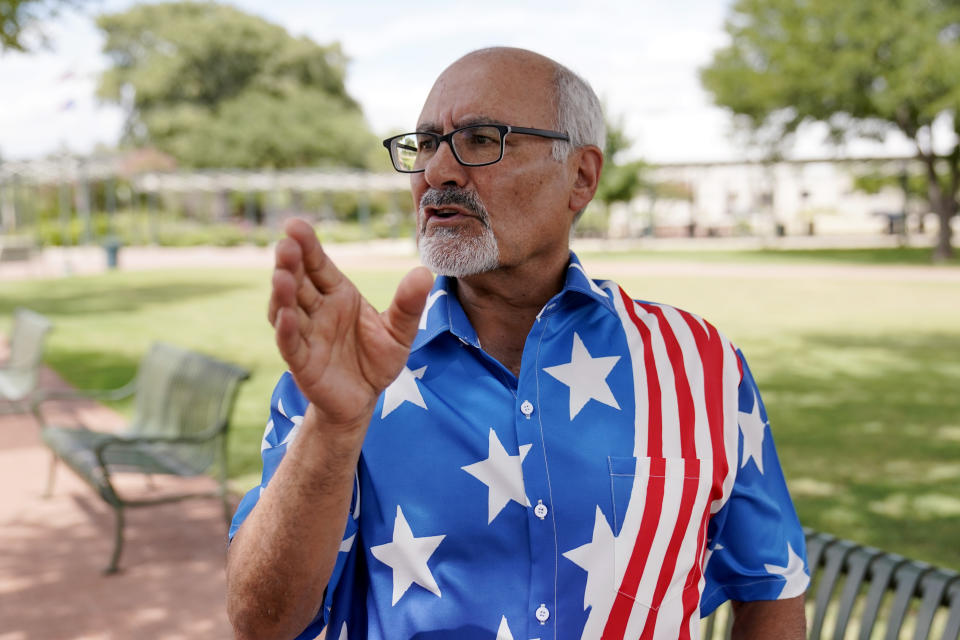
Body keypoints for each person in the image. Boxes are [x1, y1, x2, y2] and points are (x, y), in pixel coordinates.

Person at [226, 47, 809, 640]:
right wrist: (335, 425)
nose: (437, 172)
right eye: (425, 144)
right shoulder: (348, 379)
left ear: (581, 177)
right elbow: (260, 621)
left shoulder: (699, 366)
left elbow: (770, 588)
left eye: (480, 139)